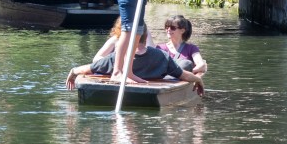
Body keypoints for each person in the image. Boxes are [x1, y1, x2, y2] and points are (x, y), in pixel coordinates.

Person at [65, 46, 204, 96]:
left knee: (185, 63)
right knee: (185, 64)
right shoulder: (161, 55)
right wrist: (198, 79)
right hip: (161, 74)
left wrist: (73, 72)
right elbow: (184, 75)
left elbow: (88, 68)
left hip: (160, 73)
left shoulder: (117, 58)